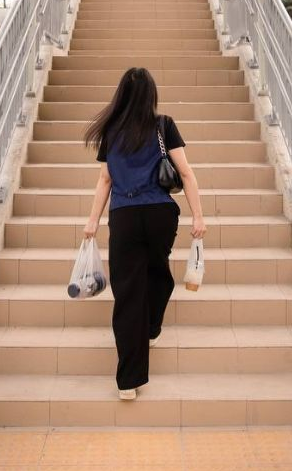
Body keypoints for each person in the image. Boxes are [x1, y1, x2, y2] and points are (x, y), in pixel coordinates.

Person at [82, 67, 206, 402]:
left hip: (124, 216)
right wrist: (198, 215)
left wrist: (93, 220)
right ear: (151, 94)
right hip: (159, 214)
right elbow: (186, 173)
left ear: (121, 94)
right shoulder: (163, 125)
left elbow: (105, 180)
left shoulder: (112, 131)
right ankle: (150, 327)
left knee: (128, 294)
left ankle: (128, 380)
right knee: (159, 276)